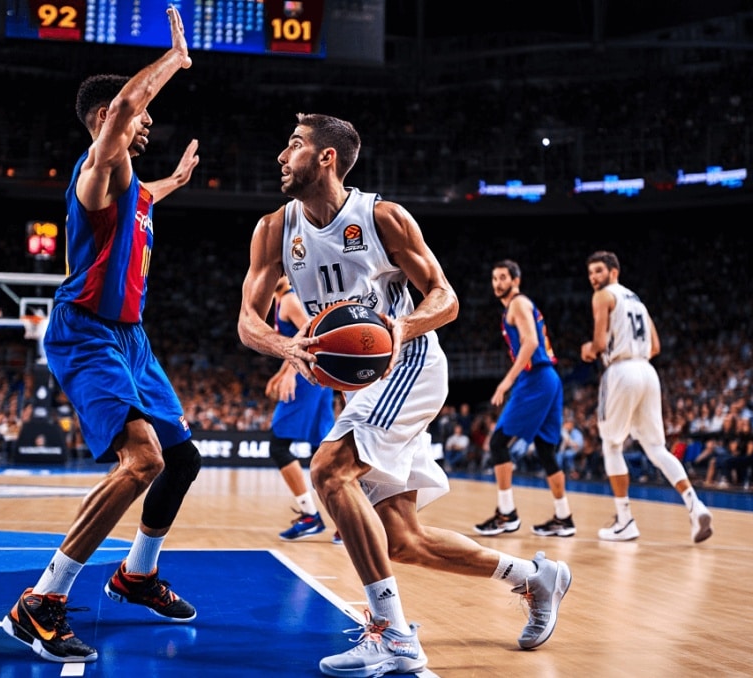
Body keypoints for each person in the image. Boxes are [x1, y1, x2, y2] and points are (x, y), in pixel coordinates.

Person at [237, 112, 571, 678]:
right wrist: (284, 347)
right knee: (401, 540)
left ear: (327, 158)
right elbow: (247, 319)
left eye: (293, 145)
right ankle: (534, 578)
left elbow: (445, 296)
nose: (280, 156)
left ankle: (392, 635)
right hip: (360, 385)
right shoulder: (275, 228)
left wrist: (399, 331)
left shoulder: (381, 216)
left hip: (408, 363)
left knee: (328, 472)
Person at [1, 8, 203, 664]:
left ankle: (136, 575)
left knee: (183, 459)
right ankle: (42, 600)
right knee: (142, 462)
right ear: (111, 120)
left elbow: (147, 198)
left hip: (131, 338)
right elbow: (122, 110)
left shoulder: (136, 191)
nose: (148, 121)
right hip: (86, 333)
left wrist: (173, 183)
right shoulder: (99, 169)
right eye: (141, 115)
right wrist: (173, 60)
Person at [579, 250, 713, 543]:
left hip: (621, 371)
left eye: (599, 271)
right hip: (647, 371)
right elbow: (655, 346)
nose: (594, 278)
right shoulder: (637, 300)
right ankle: (695, 504)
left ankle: (625, 520)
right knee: (656, 447)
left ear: (614, 272)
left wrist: (587, 350)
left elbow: (599, 344)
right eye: (590, 273)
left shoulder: (602, 296)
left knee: (612, 445)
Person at [475, 260, 574, 537]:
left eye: (503, 277)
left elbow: (530, 342)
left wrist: (506, 382)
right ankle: (564, 517)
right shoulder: (517, 305)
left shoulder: (518, 303)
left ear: (515, 280)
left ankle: (507, 514)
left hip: (537, 378)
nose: (498, 283)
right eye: (494, 278)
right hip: (549, 377)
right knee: (545, 449)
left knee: (498, 442)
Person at [267, 275, 339, 541]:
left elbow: (311, 339)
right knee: (327, 452)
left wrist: (289, 373)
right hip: (317, 378)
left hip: (306, 378)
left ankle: (310, 516)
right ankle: (349, 521)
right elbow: (294, 342)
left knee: (278, 446)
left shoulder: (289, 300)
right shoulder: (283, 299)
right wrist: (281, 372)